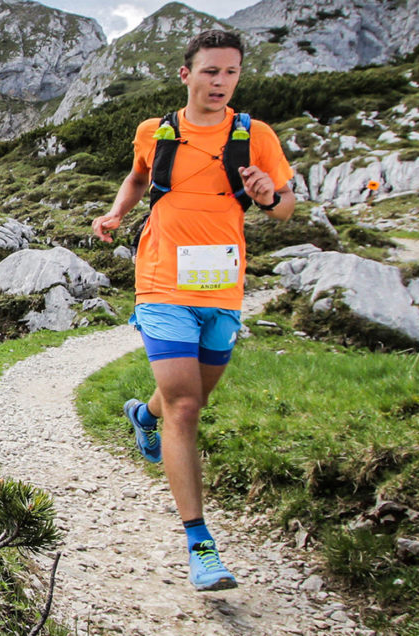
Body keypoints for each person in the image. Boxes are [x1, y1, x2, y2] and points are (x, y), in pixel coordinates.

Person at [90, 29, 296, 592]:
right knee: (187, 407)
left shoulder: (256, 137)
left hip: (221, 287)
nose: (220, 82)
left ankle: (144, 416)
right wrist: (114, 215)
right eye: (210, 71)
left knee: (192, 396)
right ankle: (201, 546)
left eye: (230, 73)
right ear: (187, 75)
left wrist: (266, 195)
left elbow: (286, 209)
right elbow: (137, 177)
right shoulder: (156, 132)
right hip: (160, 280)